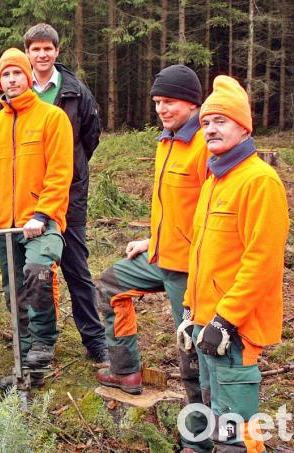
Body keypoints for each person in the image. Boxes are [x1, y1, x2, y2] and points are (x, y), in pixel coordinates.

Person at [93, 64, 211, 453]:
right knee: (110, 285)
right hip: (162, 254)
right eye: (158, 102)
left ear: (192, 103)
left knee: (193, 351)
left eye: (169, 101)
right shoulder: (167, 141)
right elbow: (174, 207)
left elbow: (212, 213)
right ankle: (125, 371)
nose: (162, 109)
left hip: (190, 268)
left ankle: (199, 440)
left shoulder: (205, 146)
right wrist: (151, 239)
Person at [176, 75, 289, 453]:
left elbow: (262, 261)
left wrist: (226, 320)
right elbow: (201, 254)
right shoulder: (214, 181)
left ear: (243, 127)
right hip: (207, 325)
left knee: (236, 432)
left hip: (236, 330)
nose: (210, 129)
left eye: (220, 121)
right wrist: (190, 312)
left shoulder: (260, 182)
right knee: (214, 413)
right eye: (206, 122)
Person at [0, 48, 73, 389]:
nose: (12, 79)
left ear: (28, 77)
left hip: (42, 222)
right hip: (3, 225)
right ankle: (29, 368)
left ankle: (43, 341)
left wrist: (42, 213)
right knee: (14, 294)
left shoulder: (52, 118)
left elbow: (60, 172)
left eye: (17, 73)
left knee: (37, 272)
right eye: (6, 74)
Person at [23, 23, 107, 364]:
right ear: (27, 53)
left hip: (69, 192)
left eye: (48, 48)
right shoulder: (19, 87)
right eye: (36, 49)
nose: (42, 54)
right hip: (29, 195)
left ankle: (95, 339)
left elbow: (90, 135)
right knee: (36, 268)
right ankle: (39, 339)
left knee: (75, 265)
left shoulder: (75, 91)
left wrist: (71, 167)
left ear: (57, 51)